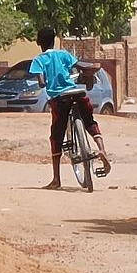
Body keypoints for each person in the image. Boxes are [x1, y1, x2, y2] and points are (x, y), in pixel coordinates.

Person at [29, 27, 110, 190]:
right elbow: (80, 66)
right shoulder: (64, 54)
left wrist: (44, 82)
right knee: (90, 122)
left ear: (38, 42)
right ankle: (102, 149)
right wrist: (88, 71)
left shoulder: (39, 60)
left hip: (59, 99)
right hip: (77, 92)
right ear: (55, 40)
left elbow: (41, 81)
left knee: (56, 136)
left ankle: (56, 179)